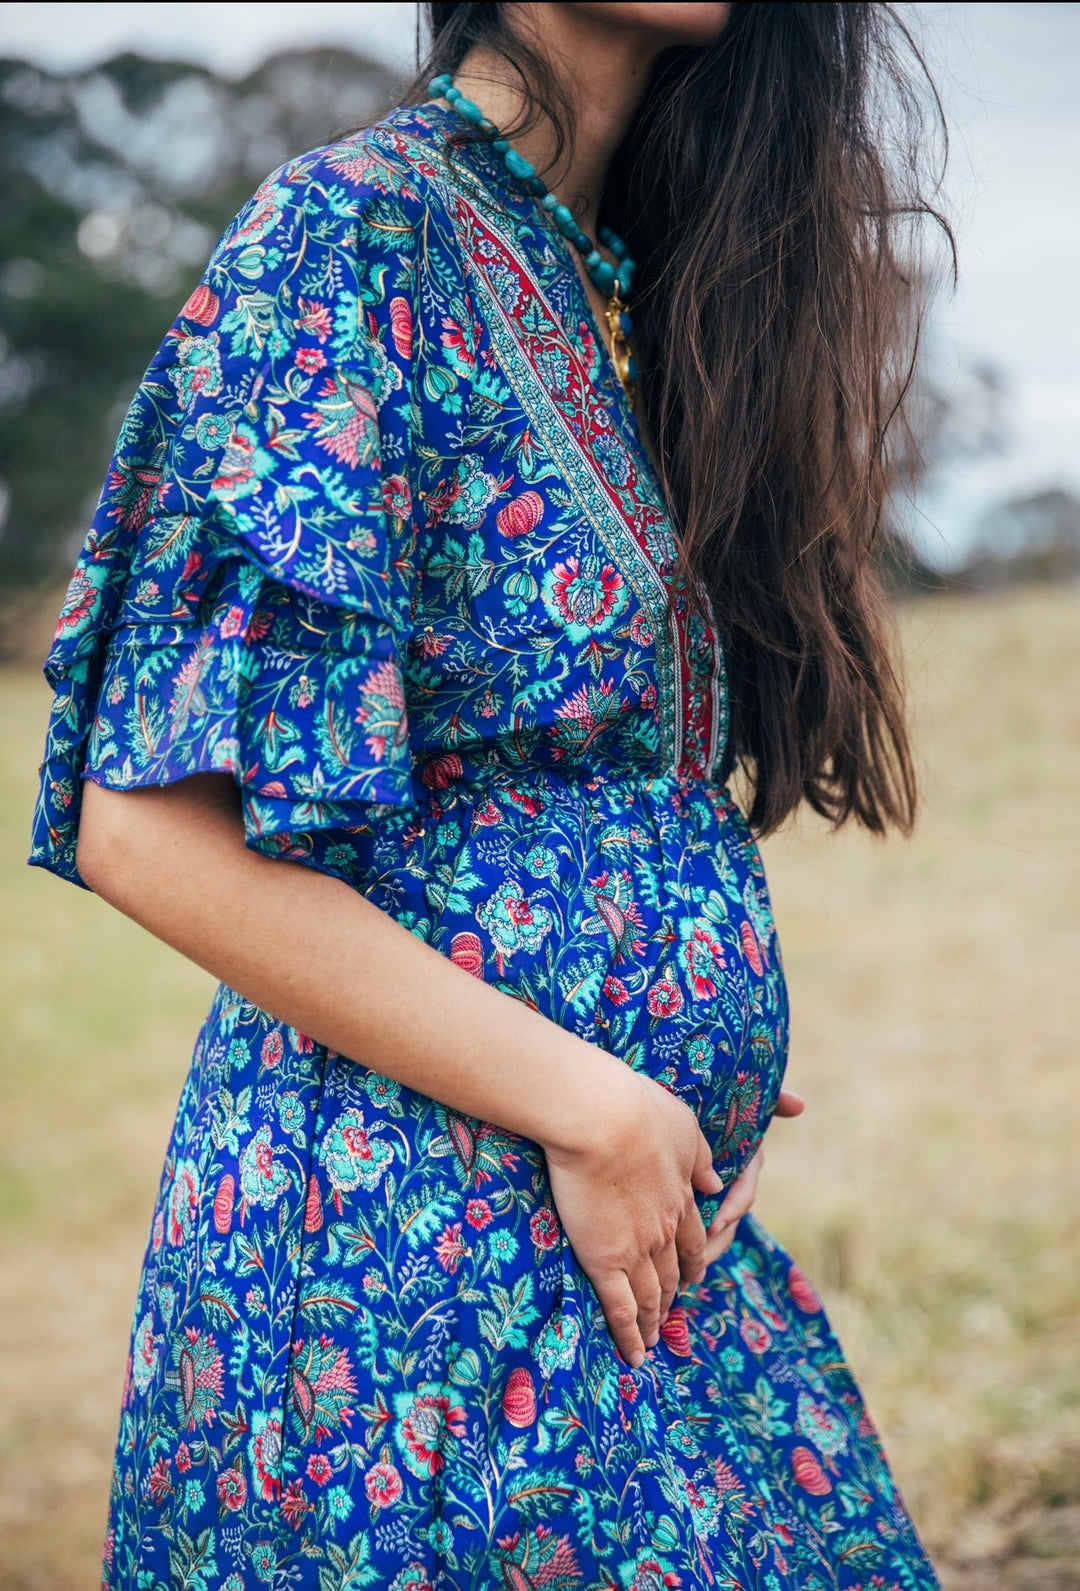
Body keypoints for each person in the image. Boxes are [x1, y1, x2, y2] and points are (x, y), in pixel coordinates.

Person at [30, 3, 947, 1585]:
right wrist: (591, 1093)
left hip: (640, 1222)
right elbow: (143, 827)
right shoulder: (346, 238)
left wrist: (673, 1022)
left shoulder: (650, 275)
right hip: (406, 1262)